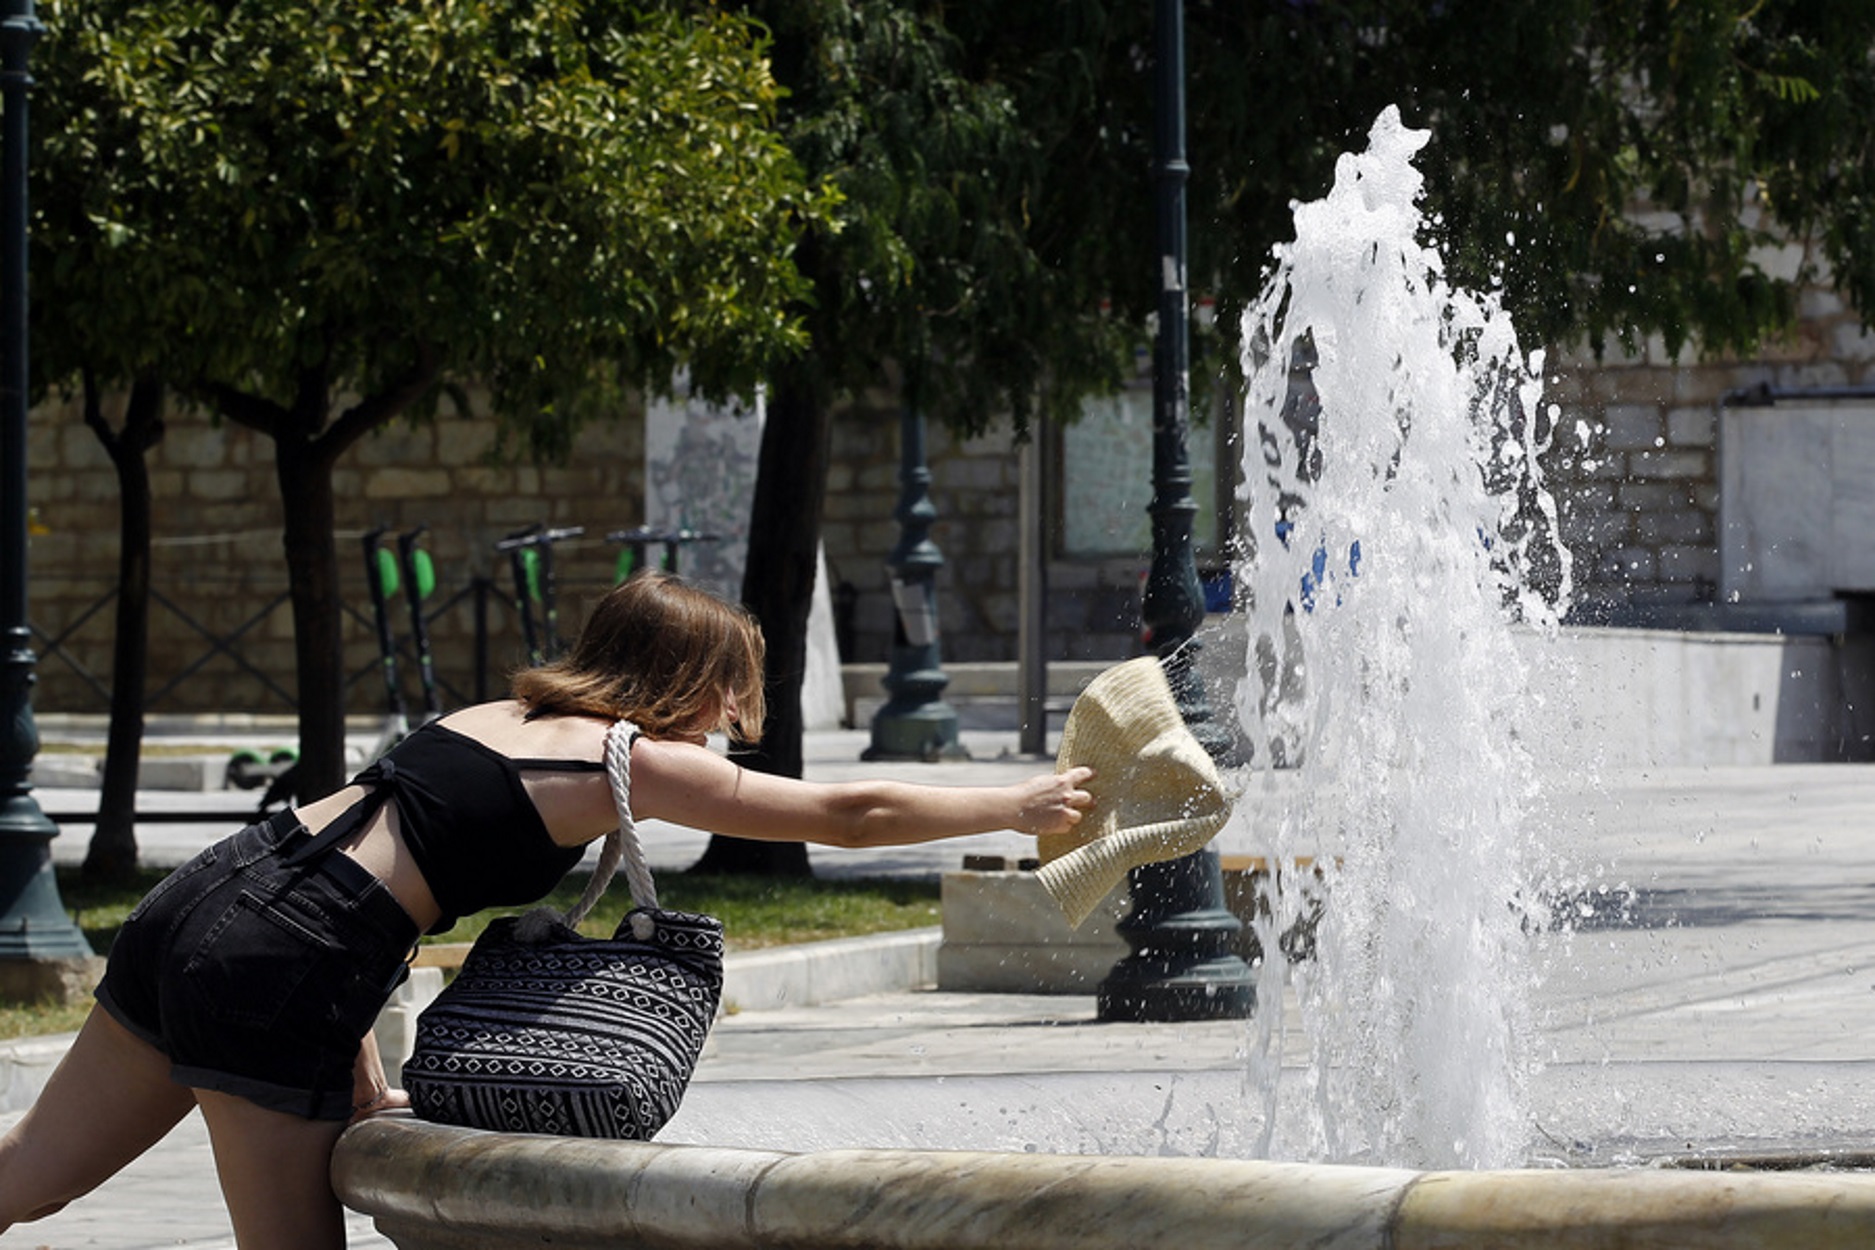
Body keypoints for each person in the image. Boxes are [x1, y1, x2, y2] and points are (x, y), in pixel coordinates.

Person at [0, 570, 1094, 1249]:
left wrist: (360, 1076)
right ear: (689, 680)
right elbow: (846, 809)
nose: (729, 718)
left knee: (28, 1179)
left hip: (211, 887)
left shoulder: (496, 713)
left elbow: (361, 883)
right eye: (729, 690)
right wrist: (1018, 799)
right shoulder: (631, 753)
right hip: (283, 951)